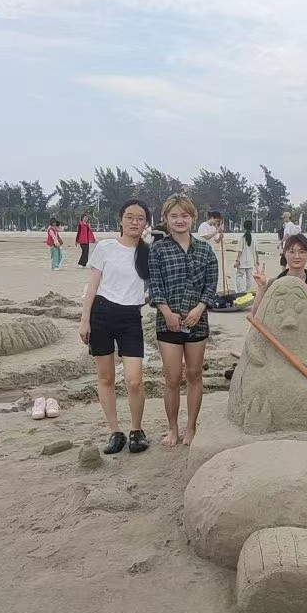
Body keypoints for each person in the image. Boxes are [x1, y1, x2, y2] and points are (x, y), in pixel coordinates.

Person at [78, 199, 151, 455]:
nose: (134, 222)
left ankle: (137, 431)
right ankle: (115, 432)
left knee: (134, 380)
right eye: (129, 217)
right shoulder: (105, 247)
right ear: (121, 219)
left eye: (140, 218)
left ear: (146, 223)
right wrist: (84, 320)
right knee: (106, 377)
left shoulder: (148, 252)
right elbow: (92, 285)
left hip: (131, 317)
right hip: (102, 314)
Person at [149, 195, 219, 447]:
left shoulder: (205, 250)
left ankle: (191, 426)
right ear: (166, 219)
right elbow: (155, 285)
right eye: (174, 216)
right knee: (172, 377)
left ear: (193, 218)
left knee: (194, 374)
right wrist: (167, 313)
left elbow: (211, 284)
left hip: (197, 320)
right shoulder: (158, 249)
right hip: (167, 322)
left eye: (185, 215)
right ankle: (172, 428)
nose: (180, 220)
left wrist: (200, 308)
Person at [252, 233, 307, 318]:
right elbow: (256, 316)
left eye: (302, 252)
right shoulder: (274, 283)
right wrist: (261, 287)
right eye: (291, 252)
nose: (296, 256)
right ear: (284, 254)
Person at [234, 219, 259, 293]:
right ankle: (247, 291)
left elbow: (240, 251)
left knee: (239, 276)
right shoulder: (254, 238)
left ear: (244, 227)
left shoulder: (242, 238)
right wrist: (257, 260)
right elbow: (256, 250)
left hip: (242, 261)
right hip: (251, 261)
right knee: (249, 278)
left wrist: (237, 261)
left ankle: (241, 291)